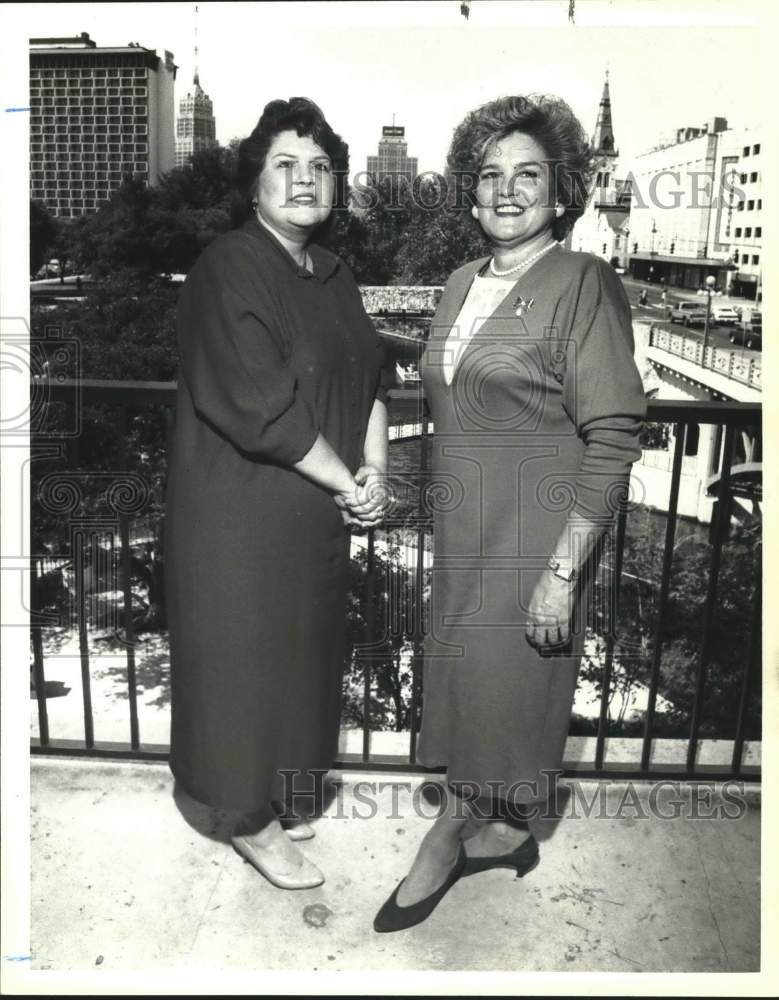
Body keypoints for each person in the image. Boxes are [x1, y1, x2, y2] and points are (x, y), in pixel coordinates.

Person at [373, 94, 646, 932]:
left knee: (499, 691)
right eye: (488, 176)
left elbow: (613, 436)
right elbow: (448, 383)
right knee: (467, 691)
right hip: (464, 534)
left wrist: (562, 572)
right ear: (468, 193)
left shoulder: (582, 283)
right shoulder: (460, 282)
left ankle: (449, 836)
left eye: (526, 174)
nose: (505, 190)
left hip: (535, 541)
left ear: (561, 191)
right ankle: (499, 830)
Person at [166, 98, 389, 891]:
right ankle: (243, 818)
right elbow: (262, 409)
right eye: (285, 166)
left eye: (320, 167)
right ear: (254, 184)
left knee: (299, 659)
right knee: (240, 664)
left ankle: (281, 788)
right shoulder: (230, 264)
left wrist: (377, 476)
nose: (305, 180)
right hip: (239, 518)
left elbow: (372, 379)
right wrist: (348, 483)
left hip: (314, 515)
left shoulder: (333, 272)